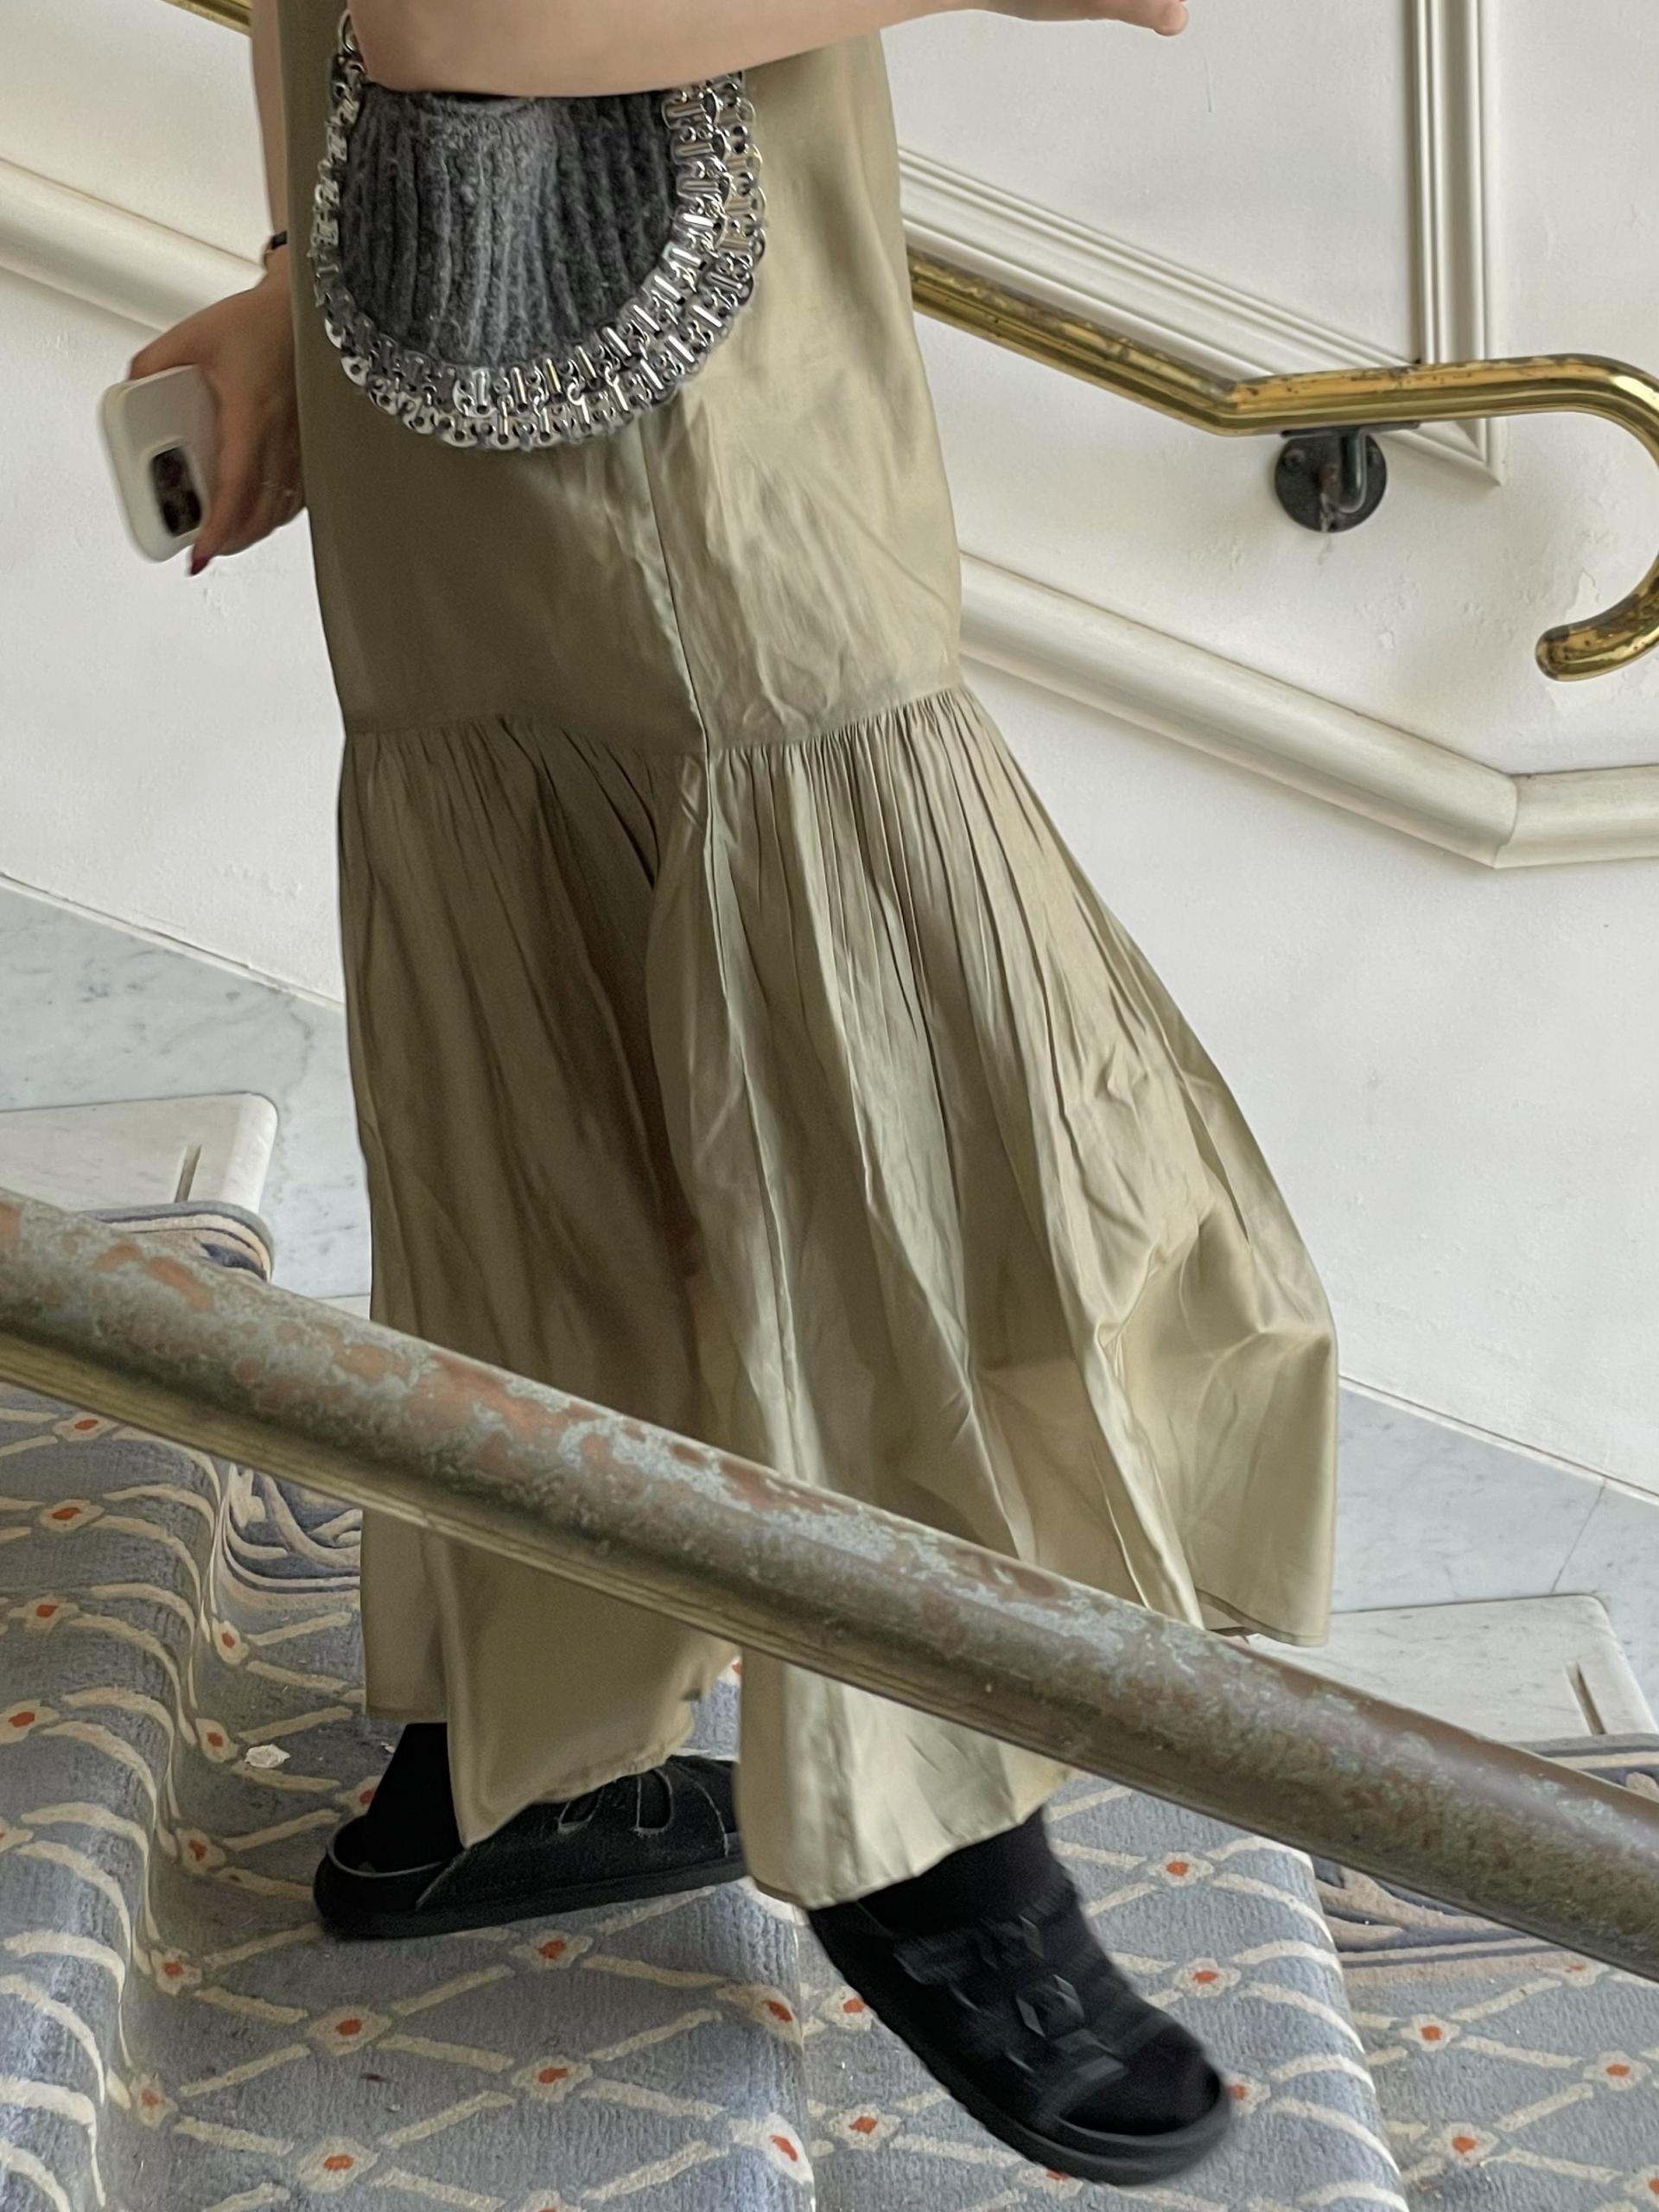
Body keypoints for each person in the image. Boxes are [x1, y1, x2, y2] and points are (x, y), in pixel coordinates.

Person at [128, 0, 1337, 2186]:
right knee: (873, 1124)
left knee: (596, 1094)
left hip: (508, 331)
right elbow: (461, 18)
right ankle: (925, 1837)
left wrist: (309, 274)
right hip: (680, 446)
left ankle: (514, 1756)